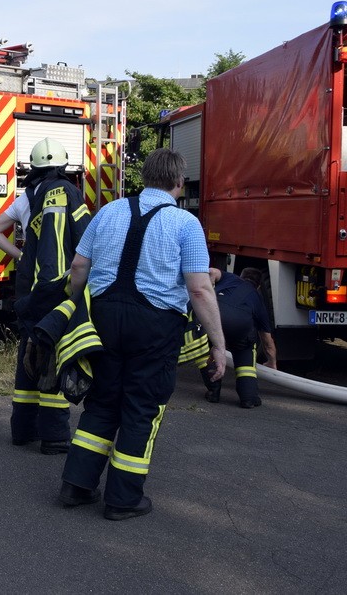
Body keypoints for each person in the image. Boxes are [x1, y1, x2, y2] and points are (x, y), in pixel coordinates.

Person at [57, 148, 226, 520]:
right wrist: (217, 344)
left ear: (145, 177)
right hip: (154, 326)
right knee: (141, 408)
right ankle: (123, 499)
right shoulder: (185, 224)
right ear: (180, 182)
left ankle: (76, 485)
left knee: (102, 401)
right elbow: (199, 288)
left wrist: (74, 310)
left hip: (104, 319)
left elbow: (79, 266)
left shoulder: (108, 211)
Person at [0, 137, 91, 455]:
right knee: (53, 359)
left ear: (34, 167)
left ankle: (23, 431)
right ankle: (55, 437)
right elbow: (84, 241)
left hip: (30, 291)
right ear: (62, 166)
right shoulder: (70, 193)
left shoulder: (26, 197)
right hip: (57, 289)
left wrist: (20, 255)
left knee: (28, 358)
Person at [203, 267, 277, 407]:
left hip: (214, 317)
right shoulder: (257, 298)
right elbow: (267, 341)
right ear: (259, 285)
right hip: (240, 327)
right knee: (245, 354)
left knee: (211, 350)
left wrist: (210, 288)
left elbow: (212, 272)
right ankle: (248, 398)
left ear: (240, 276)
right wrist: (271, 362)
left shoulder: (229, 278)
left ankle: (213, 392)